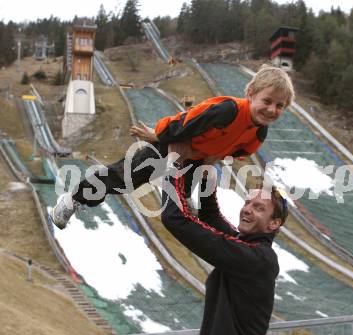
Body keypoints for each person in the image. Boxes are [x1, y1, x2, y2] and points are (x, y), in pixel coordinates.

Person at [51, 65, 294, 229]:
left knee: (179, 204)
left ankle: (183, 201)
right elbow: (185, 121)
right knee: (127, 179)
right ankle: (74, 198)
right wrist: (158, 137)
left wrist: (207, 159)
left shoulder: (259, 132)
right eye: (267, 101)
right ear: (251, 94)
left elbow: (235, 151)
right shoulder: (228, 110)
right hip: (171, 142)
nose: (272, 110)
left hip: (196, 158)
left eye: (280, 106)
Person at [161, 143, 288, 335]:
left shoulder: (256, 259)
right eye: (248, 202)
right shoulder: (247, 247)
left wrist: (175, 163)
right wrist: (206, 170)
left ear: (273, 224)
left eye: (258, 208)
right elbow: (210, 215)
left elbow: (174, 218)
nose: (247, 209)